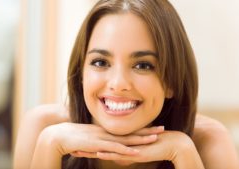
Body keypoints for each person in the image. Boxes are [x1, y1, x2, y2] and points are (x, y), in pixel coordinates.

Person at [14, 0, 239, 169]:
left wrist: (183, 152)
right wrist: (49, 146)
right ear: (81, 74)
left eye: (143, 65)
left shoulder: (208, 142)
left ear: (171, 80)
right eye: (101, 62)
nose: (118, 83)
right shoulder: (43, 129)